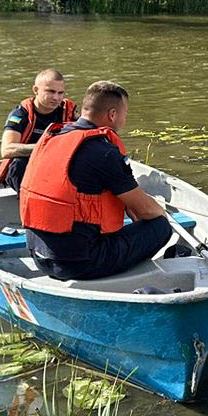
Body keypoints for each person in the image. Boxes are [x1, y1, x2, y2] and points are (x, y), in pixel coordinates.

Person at [18, 80, 176, 281]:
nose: (124, 119)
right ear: (112, 114)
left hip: (39, 256)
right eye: (125, 113)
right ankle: (129, 277)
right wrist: (160, 214)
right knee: (160, 226)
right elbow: (146, 210)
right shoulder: (103, 152)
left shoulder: (53, 138)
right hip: (79, 264)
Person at [0, 69, 76, 191]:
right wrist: (46, 148)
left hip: (55, 164)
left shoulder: (69, 113)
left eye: (60, 93)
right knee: (19, 163)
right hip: (28, 166)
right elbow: (7, 150)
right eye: (50, 91)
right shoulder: (20, 114)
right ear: (36, 90)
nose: (56, 98)